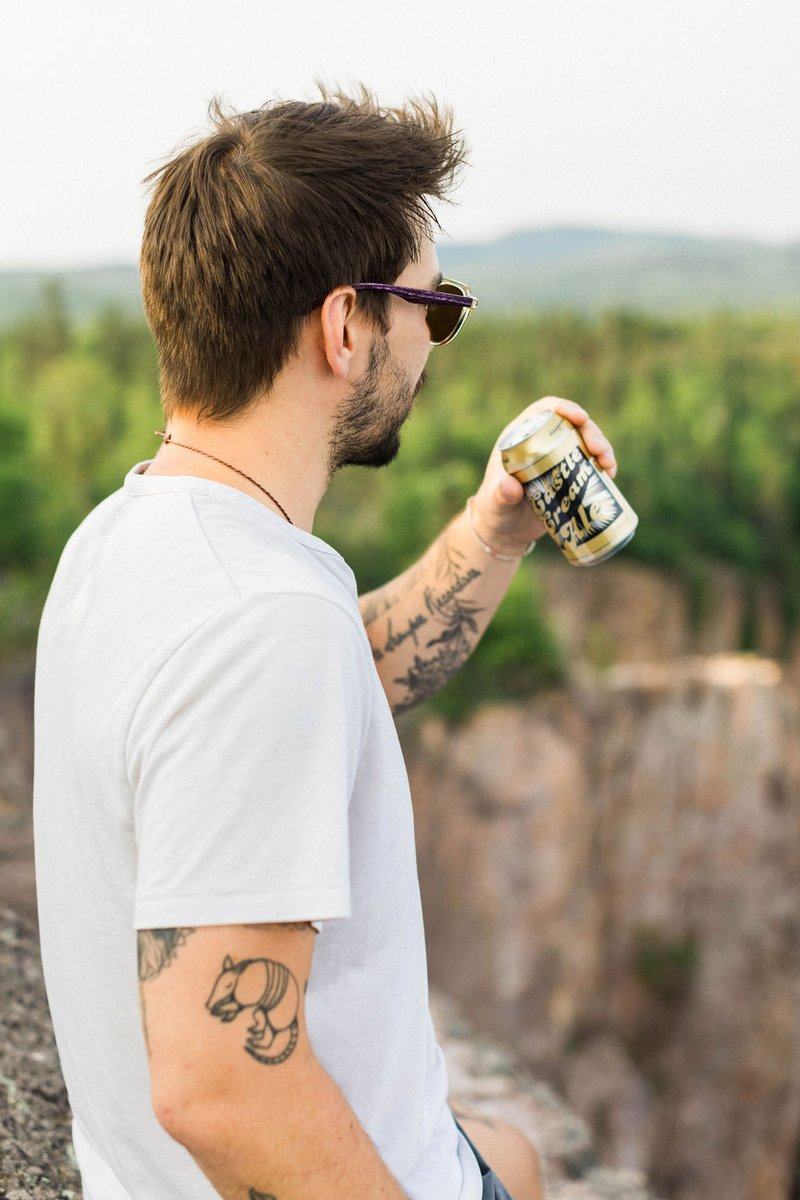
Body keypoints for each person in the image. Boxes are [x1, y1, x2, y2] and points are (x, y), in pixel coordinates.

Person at [33, 88, 617, 1200]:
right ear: (347, 325)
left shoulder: (128, 540)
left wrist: (492, 531)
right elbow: (219, 1087)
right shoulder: (263, 620)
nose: (431, 340)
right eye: (431, 307)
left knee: (522, 1156)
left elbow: (314, 688)